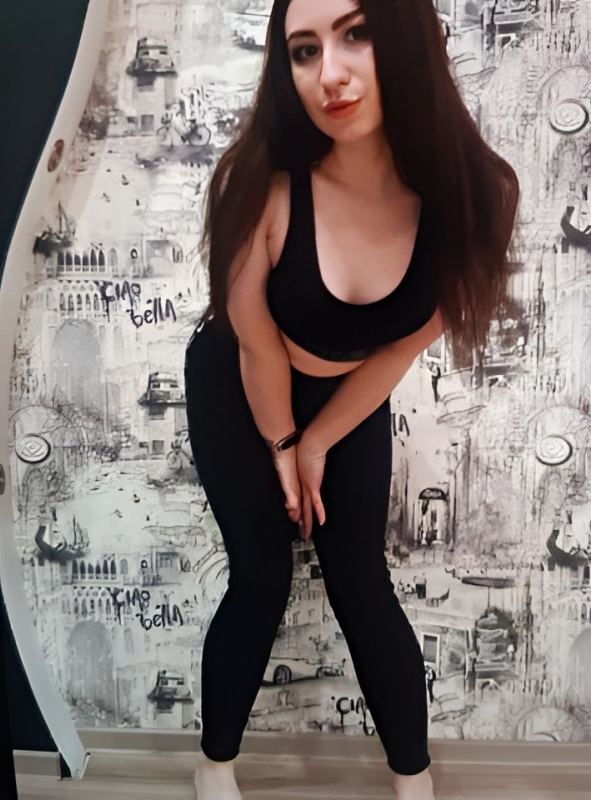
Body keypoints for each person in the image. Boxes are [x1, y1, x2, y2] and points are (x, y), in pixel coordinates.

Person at [184, 1, 519, 799]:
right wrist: (282, 445)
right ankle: (213, 765)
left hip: (348, 394)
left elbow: (399, 347)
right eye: (303, 50)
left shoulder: (476, 196)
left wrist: (320, 440)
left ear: (405, 38)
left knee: (360, 579)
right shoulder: (262, 185)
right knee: (260, 578)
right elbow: (256, 343)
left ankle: (414, 779)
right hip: (239, 383)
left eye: (356, 33)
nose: (328, 73)